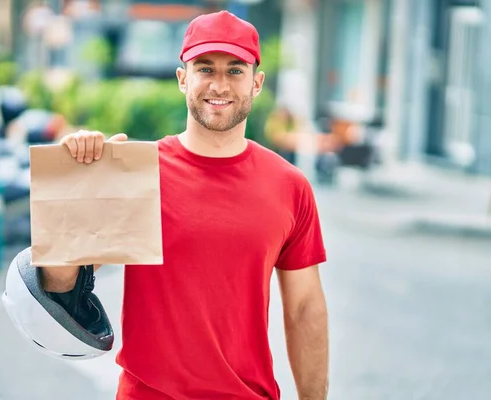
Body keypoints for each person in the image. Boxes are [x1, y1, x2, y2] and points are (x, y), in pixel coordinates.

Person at [42, 10, 329, 400]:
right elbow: (61, 281)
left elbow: (304, 308)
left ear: (257, 83)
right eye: (205, 68)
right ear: (183, 79)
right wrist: (76, 182)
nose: (220, 84)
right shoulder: (137, 172)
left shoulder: (289, 185)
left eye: (235, 70)